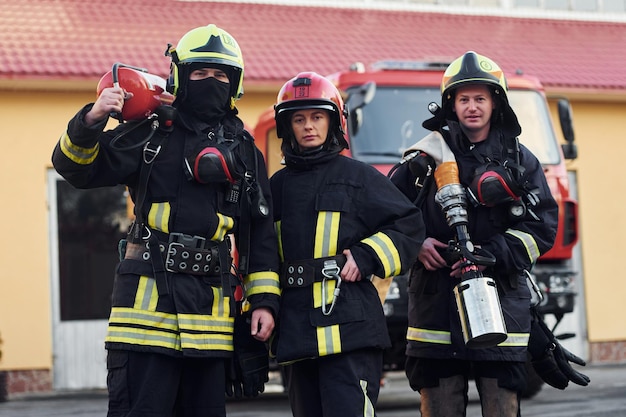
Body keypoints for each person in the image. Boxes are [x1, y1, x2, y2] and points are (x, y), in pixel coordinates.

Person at [52, 24, 280, 417]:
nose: (212, 82)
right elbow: (75, 169)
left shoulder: (243, 149)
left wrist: (264, 301)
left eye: (222, 75)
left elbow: (260, 233)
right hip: (143, 315)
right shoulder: (149, 133)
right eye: (201, 73)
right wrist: (92, 119)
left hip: (210, 323)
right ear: (180, 76)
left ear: (236, 83)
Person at [389, 51, 559, 416]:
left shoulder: (520, 160)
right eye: (463, 98)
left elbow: (543, 226)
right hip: (435, 304)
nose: (472, 107)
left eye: (480, 97)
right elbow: (386, 212)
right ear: (451, 104)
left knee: (501, 403)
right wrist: (416, 244)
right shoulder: (422, 159)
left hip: (501, 302)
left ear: (495, 102)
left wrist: (495, 252)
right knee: (439, 403)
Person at [269, 71, 425, 417]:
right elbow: (262, 256)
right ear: (287, 127)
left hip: (351, 333)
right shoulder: (275, 188)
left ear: (333, 122)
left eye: (317, 117)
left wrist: (368, 255)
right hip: (296, 335)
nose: (309, 126)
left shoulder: (360, 177)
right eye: (299, 118)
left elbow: (410, 226)